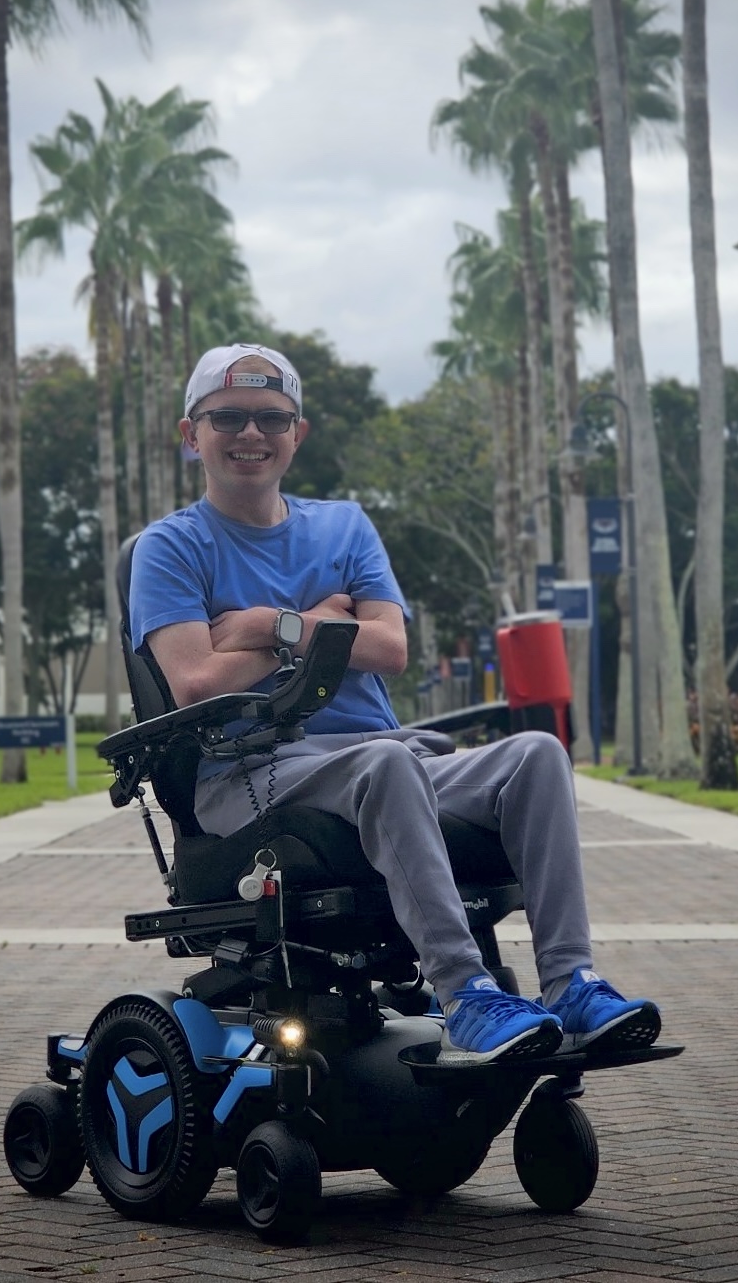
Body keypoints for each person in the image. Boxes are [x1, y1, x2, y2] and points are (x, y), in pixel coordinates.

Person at [131, 343, 662, 1065]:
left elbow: (390, 648)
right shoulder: (170, 548)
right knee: (385, 762)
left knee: (537, 755)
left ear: (297, 434)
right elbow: (196, 683)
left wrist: (267, 626)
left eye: (271, 418)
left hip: (382, 759)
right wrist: (324, 626)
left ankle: (571, 983)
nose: (250, 433)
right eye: (227, 417)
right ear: (191, 435)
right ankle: (465, 993)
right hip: (249, 774)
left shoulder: (345, 525)